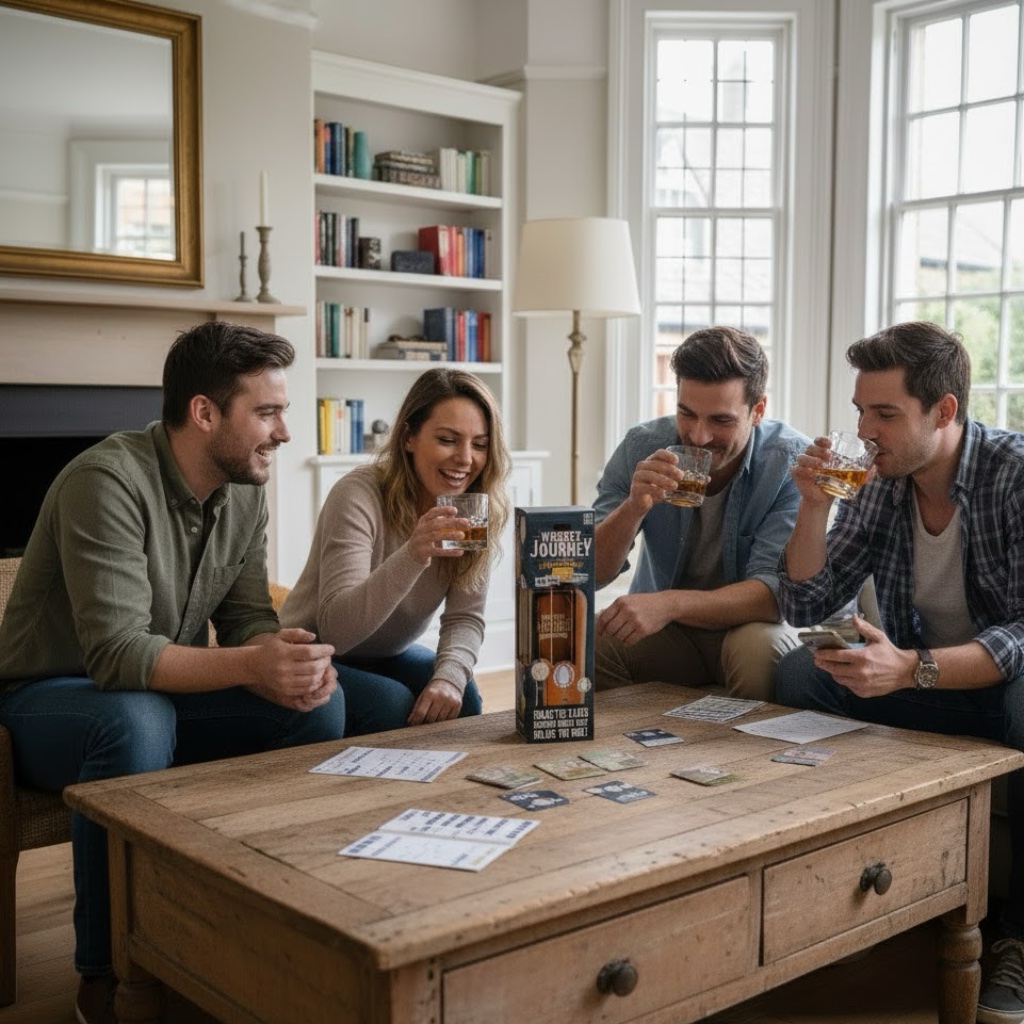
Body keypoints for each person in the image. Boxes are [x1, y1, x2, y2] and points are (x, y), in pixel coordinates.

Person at [0, 322, 344, 1024]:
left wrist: (284, 662)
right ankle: (106, 972)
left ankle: (249, 925)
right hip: (44, 699)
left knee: (318, 706)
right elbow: (117, 655)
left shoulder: (244, 487)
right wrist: (251, 663)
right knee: (135, 720)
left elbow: (246, 616)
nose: (284, 433)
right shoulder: (105, 481)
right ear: (204, 412)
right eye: (267, 413)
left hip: (158, 689)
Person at [774, 321, 1024, 1024]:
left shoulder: (1013, 475)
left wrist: (912, 668)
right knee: (799, 676)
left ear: (943, 410)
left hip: (998, 689)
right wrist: (814, 506)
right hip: (932, 691)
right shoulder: (882, 482)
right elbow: (804, 603)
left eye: (884, 413)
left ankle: (1019, 941)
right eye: (860, 410)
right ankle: (845, 896)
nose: (865, 430)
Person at [281, 367, 510, 734]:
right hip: (317, 649)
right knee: (391, 703)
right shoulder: (358, 494)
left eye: (480, 444)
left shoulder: (470, 507)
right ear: (408, 438)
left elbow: (465, 618)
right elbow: (338, 631)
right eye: (447, 440)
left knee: (462, 695)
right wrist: (413, 554)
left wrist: (449, 678)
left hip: (386, 653)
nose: (466, 459)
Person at [593, 325, 808, 699]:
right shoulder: (641, 446)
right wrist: (633, 507)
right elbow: (590, 572)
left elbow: (772, 598)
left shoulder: (790, 463)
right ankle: (644, 736)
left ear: (757, 410)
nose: (698, 436)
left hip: (751, 626)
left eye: (721, 420)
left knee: (756, 649)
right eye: (686, 413)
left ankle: (741, 742)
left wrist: (670, 604)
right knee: (588, 640)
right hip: (673, 633)